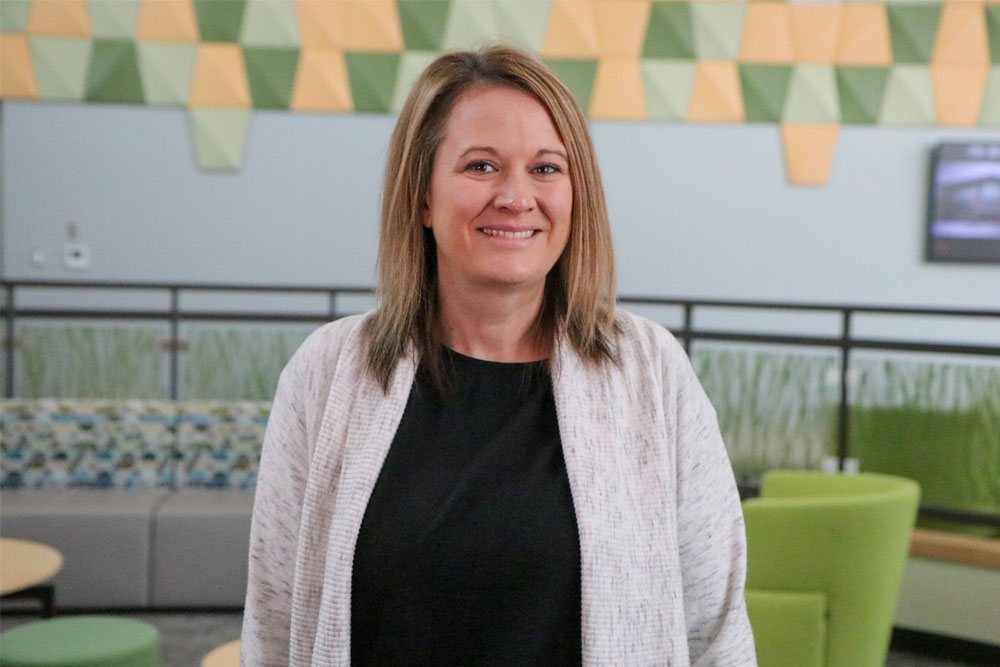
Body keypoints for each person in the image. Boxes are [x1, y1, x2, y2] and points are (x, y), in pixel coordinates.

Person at [241, 45, 756, 666]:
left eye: (546, 169)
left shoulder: (650, 371)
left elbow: (715, 629)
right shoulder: (329, 371)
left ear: (576, 195)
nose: (516, 197)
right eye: (482, 166)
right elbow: (274, 623)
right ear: (423, 197)